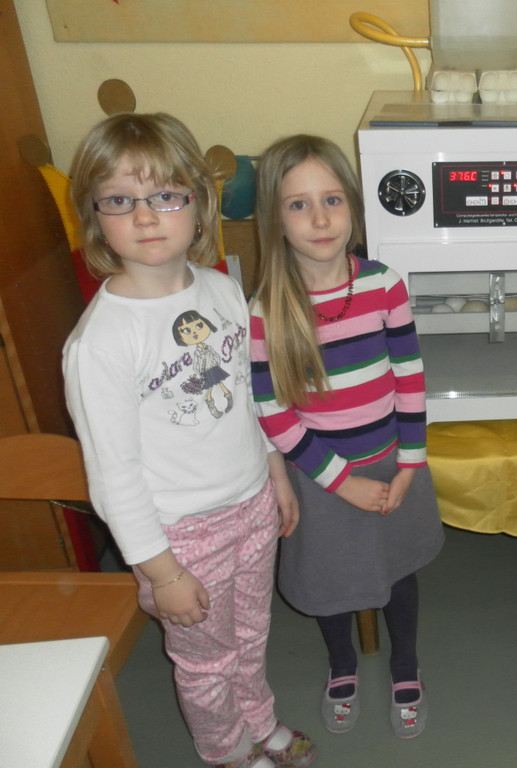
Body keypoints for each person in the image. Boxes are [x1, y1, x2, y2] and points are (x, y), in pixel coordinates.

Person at [62, 113, 316, 768]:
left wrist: (276, 473)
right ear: (95, 217)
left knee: (251, 635)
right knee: (205, 661)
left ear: (198, 205)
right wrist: (162, 571)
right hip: (180, 537)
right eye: (121, 200)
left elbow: (252, 395)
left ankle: (258, 719)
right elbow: (114, 476)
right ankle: (227, 750)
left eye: (166, 195)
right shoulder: (101, 342)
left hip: (251, 505)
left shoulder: (223, 288)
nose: (146, 216)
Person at [249, 134, 444, 740]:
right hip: (321, 476)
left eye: (331, 200)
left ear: (353, 208)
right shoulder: (267, 309)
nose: (320, 219)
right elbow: (273, 413)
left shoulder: (385, 285)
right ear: (275, 219)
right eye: (299, 204)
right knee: (329, 581)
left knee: (398, 569)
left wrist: (410, 463)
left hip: (392, 463)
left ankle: (406, 664)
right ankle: (341, 664)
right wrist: (340, 481)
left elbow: (410, 377)